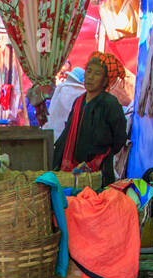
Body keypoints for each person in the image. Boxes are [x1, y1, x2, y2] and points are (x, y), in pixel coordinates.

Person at [52, 52, 128, 187]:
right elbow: (68, 131)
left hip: (99, 172)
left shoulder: (110, 104)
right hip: (74, 171)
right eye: (88, 71)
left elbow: (120, 138)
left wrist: (102, 156)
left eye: (97, 74)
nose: (90, 77)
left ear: (105, 80)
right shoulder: (78, 101)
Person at [43, 67, 85, 141]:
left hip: (56, 129)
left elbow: (52, 108)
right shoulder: (84, 93)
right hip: (74, 133)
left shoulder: (61, 88)